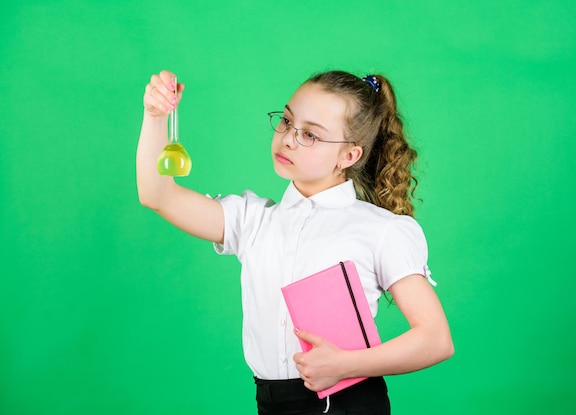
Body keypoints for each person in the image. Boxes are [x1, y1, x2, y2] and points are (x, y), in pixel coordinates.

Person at [137, 69, 454, 414]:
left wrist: (345, 365)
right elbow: (157, 195)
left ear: (349, 156)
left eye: (311, 136)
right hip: (272, 404)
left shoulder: (381, 230)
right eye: (287, 121)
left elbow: (435, 339)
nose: (288, 139)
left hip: (346, 404)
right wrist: (155, 117)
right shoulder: (253, 220)